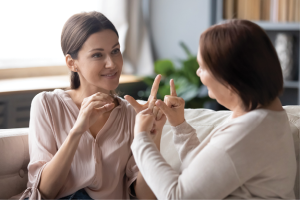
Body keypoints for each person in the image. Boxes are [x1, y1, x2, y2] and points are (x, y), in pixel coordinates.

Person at [131, 19, 297, 199]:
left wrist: (141, 138)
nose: (197, 73)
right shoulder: (263, 115)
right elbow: (202, 173)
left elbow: (177, 196)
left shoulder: (249, 132)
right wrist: (179, 126)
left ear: (229, 78)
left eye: (202, 67)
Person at [19, 11, 164, 200]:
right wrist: (78, 130)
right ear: (72, 63)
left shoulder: (131, 115)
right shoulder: (47, 104)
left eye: (115, 51)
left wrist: (152, 138)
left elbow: (145, 197)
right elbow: (44, 192)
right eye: (97, 55)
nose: (112, 64)